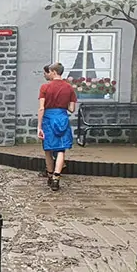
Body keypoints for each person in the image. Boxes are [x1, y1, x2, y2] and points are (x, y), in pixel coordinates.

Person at [38, 62, 77, 191]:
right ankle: (56, 177)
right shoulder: (69, 88)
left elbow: (41, 108)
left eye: (49, 71)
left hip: (48, 118)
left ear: (54, 72)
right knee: (61, 149)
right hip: (62, 118)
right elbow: (71, 109)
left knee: (48, 148)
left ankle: (49, 175)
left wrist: (39, 126)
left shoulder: (45, 87)